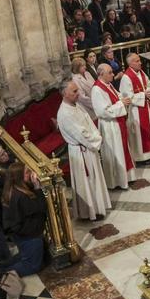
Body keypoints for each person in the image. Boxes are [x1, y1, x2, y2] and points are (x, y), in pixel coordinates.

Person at [56, 81, 112, 221]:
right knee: (87, 182)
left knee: (95, 179)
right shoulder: (65, 113)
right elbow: (81, 134)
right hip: (81, 152)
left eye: (78, 90)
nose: (78, 94)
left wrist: (97, 136)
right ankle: (90, 212)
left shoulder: (76, 105)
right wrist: (97, 140)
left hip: (88, 148)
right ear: (64, 93)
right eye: (74, 91)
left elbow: (89, 123)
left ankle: (99, 207)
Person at [91, 63, 136, 190]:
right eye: (110, 72)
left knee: (123, 150)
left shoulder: (108, 84)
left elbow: (118, 95)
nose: (113, 74)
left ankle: (126, 177)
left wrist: (123, 99)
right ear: (101, 74)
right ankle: (117, 181)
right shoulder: (97, 90)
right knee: (115, 152)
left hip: (117, 123)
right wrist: (121, 104)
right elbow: (102, 111)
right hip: (109, 126)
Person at [2, 162, 48, 277]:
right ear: (19, 177)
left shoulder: (13, 190)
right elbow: (41, 208)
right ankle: (0, 274)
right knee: (32, 266)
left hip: (21, 234)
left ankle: (1, 266)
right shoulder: (21, 196)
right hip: (29, 235)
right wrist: (37, 187)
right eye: (27, 172)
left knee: (31, 256)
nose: (31, 174)